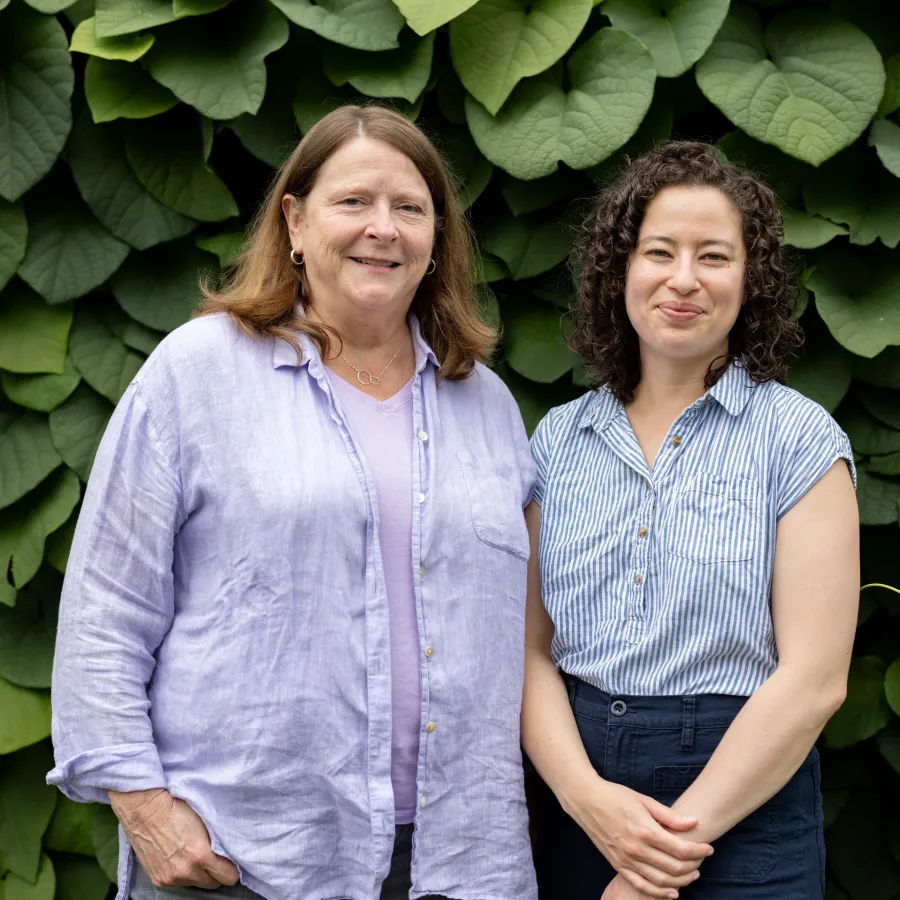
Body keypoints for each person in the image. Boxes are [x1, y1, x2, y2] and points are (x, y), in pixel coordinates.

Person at [48, 105, 537, 900]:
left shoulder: (484, 403)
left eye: (411, 208)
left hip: (456, 859)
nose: (383, 227)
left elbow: (519, 638)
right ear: (296, 222)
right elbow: (106, 607)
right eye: (354, 202)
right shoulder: (199, 374)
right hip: (245, 855)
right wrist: (141, 807)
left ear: (437, 239)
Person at [521, 141, 859, 900]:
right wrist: (589, 803)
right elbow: (529, 653)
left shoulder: (799, 441)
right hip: (584, 799)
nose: (683, 280)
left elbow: (814, 682)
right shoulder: (556, 442)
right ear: (621, 270)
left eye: (714, 257)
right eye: (659, 252)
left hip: (747, 808)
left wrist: (655, 860)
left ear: (752, 281)